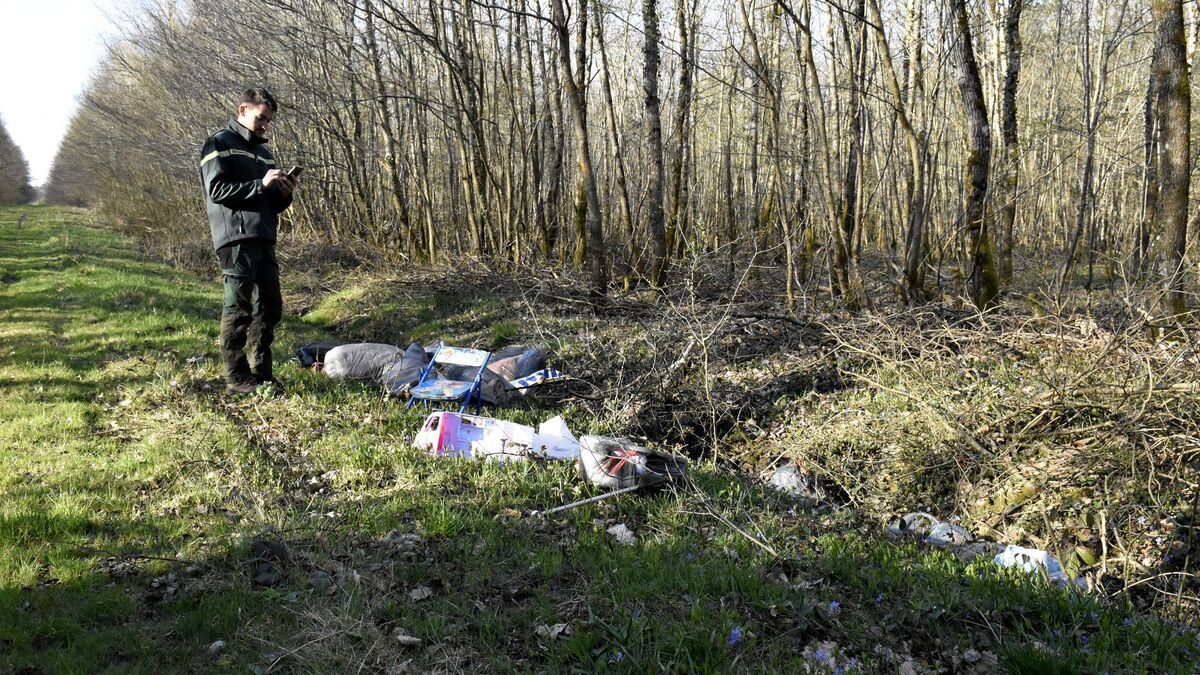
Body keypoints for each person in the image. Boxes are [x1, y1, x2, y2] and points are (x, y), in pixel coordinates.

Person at [200, 87, 298, 395]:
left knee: (270, 308)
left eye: (269, 120)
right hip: (235, 238)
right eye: (261, 117)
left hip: (264, 236)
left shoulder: (264, 152)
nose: (265, 125)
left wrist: (283, 193)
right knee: (238, 308)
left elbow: (269, 201)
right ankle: (237, 377)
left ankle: (262, 372)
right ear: (243, 109)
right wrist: (260, 183)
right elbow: (216, 190)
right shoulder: (218, 143)